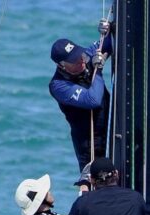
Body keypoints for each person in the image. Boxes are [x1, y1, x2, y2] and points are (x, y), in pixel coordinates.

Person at [49, 21, 114, 179]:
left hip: (111, 128)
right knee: (96, 182)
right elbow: (93, 100)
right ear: (62, 66)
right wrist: (97, 70)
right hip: (89, 143)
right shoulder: (58, 86)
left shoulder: (84, 55)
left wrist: (109, 28)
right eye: (75, 60)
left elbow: (108, 44)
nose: (81, 60)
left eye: (79, 55)